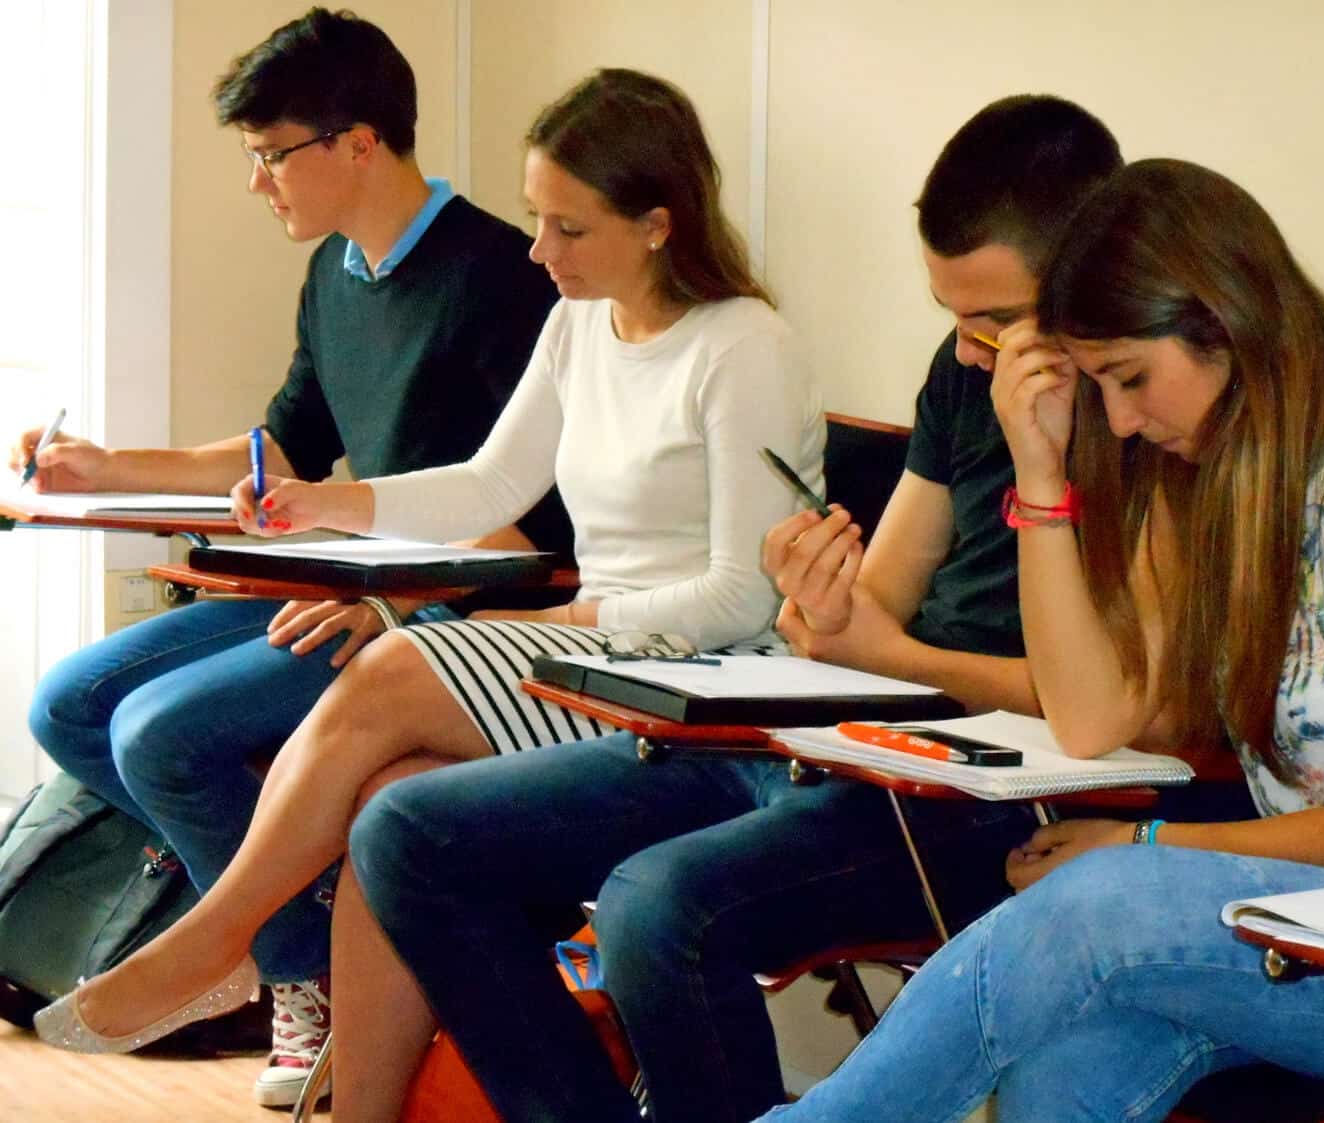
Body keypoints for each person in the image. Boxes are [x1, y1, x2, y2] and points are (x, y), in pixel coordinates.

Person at [30, 62, 824, 1106]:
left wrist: (573, 618)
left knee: (397, 661)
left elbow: (742, 600)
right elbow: (491, 480)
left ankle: (213, 942)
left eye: (568, 229)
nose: (540, 251)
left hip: (695, 679)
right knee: (384, 806)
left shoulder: (743, 346)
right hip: (594, 653)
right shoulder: (580, 320)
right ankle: (354, 1099)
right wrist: (326, 504)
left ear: (660, 224)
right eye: (538, 220)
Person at [324, 96, 1131, 1123]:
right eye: (952, 319)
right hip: (845, 734)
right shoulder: (963, 375)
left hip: (977, 788)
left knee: (657, 906)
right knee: (406, 830)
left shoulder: (1136, 408)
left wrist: (890, 650)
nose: (970, 352)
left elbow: (1100, 713)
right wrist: (820, 605)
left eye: (994, 323)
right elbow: (877, 599)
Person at [751, 158, 1324, 1123]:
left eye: (1129, 379)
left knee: (1099, 904)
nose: (1119, 419)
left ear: (1225, 323)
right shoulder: (1223, 475)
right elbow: (1091, 713)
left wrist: (1150, 840)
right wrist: (1038, 471)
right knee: (1070, 1060)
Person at [9, 7, 562, 1107]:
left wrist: (403, 608)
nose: (260, 184)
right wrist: (103, 467)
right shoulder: (337, 273)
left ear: (358, 141)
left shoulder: (503, 275)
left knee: (161, 732)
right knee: (71, 702)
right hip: (339, 583)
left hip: (443, 616)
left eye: (271, 156)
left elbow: (542, 525)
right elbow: (284, 450)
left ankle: (294, 983)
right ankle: (300, 943)